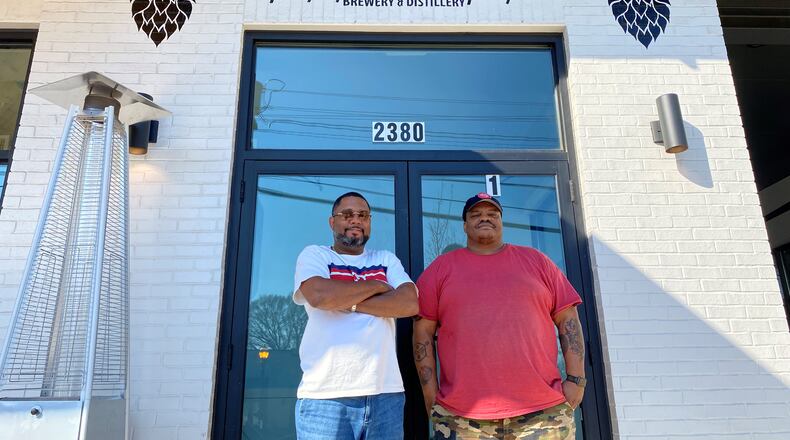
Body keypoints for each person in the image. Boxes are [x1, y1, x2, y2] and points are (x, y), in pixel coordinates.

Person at [413, 192, 585, 439]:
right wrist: (431, 398)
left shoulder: (537, 262)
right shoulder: (440, 268)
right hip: (462, 417)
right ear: (464, 225)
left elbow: (568, 319)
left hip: (544, 412)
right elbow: (422, 333)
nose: (485, 218)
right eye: (476, 215)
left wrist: (576, 379)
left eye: (492, 214)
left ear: (502, 221)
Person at [293, 191, 419, 440]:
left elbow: (409, 303)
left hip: (386, 394)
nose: (356, 220)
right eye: (347, 214)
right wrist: (377, 286)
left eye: (363, 215)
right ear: (332, 222)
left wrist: (346, 302)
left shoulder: (385, 259)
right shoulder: (316, 255)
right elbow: (319, 295)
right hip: (325, 398)